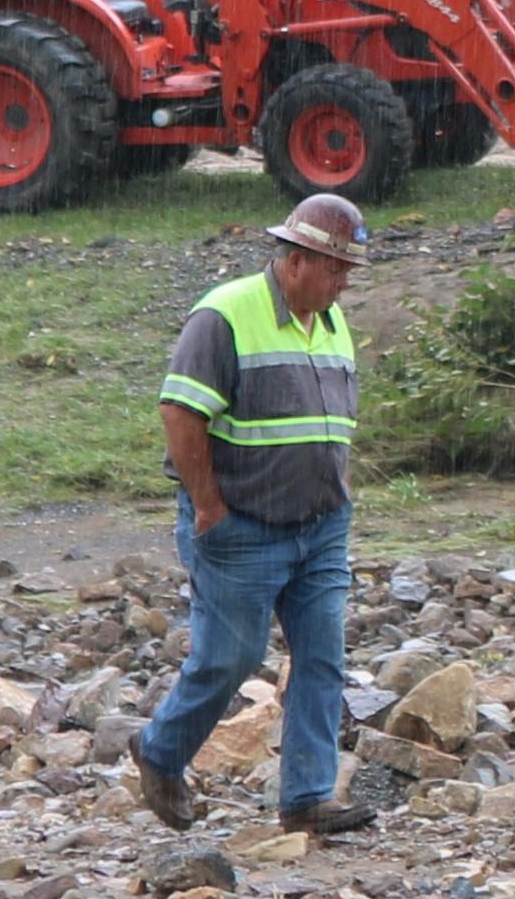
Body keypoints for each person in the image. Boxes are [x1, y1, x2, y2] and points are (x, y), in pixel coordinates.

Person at [133, 195, 378, 838]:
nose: (344, 281)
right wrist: (211, 507)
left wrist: (336, 488)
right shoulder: (224, 315)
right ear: (297, 261)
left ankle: (307, 796)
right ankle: (160, 751)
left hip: (321, 525)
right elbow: (181, 414)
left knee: (322, 655)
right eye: (336, 269)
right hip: (242, 527)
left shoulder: (329, 319)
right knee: (230, 659)